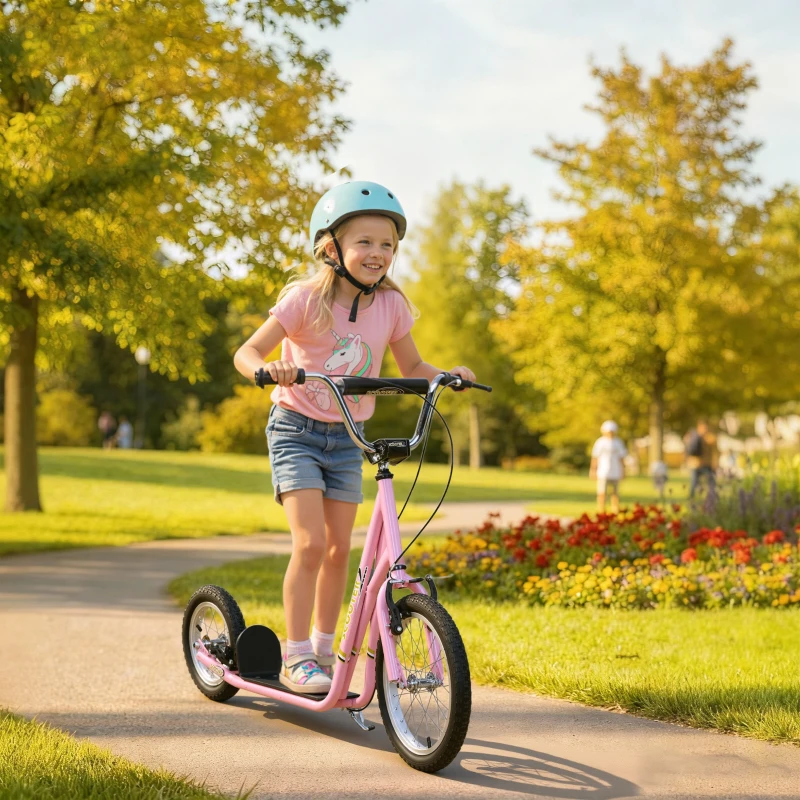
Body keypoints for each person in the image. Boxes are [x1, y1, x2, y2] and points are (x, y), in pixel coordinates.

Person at [233, 181, 476, 694]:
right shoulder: (304, 300)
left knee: (342, 549)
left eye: (387, 244)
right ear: (332, 248)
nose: (378, 254)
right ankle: (295, 656)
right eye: (365, 242)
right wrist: (267, 368)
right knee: (312, 542)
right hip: (295, 430)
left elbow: (412, 365)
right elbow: (247, 351)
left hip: (348, 436)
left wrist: (445, 375)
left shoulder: (390, 306)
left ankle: (324, 651)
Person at [589, 420, 628, 513]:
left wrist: (623, 470)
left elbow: (621, 458)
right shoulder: (600, 442)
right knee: (602, 492)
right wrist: (593, 470)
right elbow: (595, 457)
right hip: (603, 471)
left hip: (615, 471)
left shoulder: (618, 443)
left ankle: (615, 509)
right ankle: (601, 510)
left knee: (615, 493)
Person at [684, 419, 717, 499]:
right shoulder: (699, 437)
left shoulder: (707, 438)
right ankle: (692, 496)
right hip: (697, 464)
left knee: (707, 481)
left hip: (703, 464)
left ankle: (711, 496)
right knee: (695, 482)